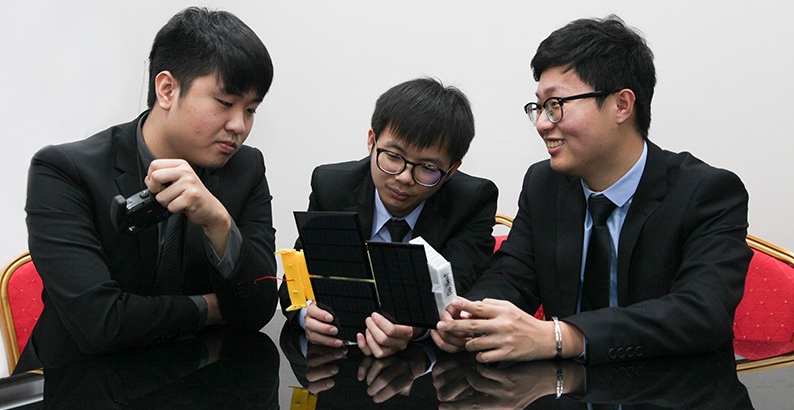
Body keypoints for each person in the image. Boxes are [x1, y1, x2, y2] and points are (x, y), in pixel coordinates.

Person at [431, 15, 752, 364]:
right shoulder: (543, 185)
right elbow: (511, 277)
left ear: (622, 105)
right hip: (565, 391)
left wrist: (561, 336)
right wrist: (469, 318)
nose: (541, 124)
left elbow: (701, 313)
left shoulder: (706, 192)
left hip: (674, 390)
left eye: (556, 105)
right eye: (539, 107)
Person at [16, 7, 278, 372]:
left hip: (196, 381)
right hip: (79, 383)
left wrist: (219, 224)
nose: (239, 125)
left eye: (250, 110)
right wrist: (215, 306)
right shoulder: (64, 171)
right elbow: (100, 324)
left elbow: (260, 307)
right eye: (225, 103)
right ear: (167, 89)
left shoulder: (245, 169)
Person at [279, 78, 498, 358]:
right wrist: (306, 315)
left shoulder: (472, 201)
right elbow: (295, 280)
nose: (404, 178)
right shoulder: (331, 186)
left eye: (428, 168)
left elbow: (457, 290)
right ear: (372, 141)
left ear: (452, 170)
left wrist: (417, 329)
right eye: (393, 157)